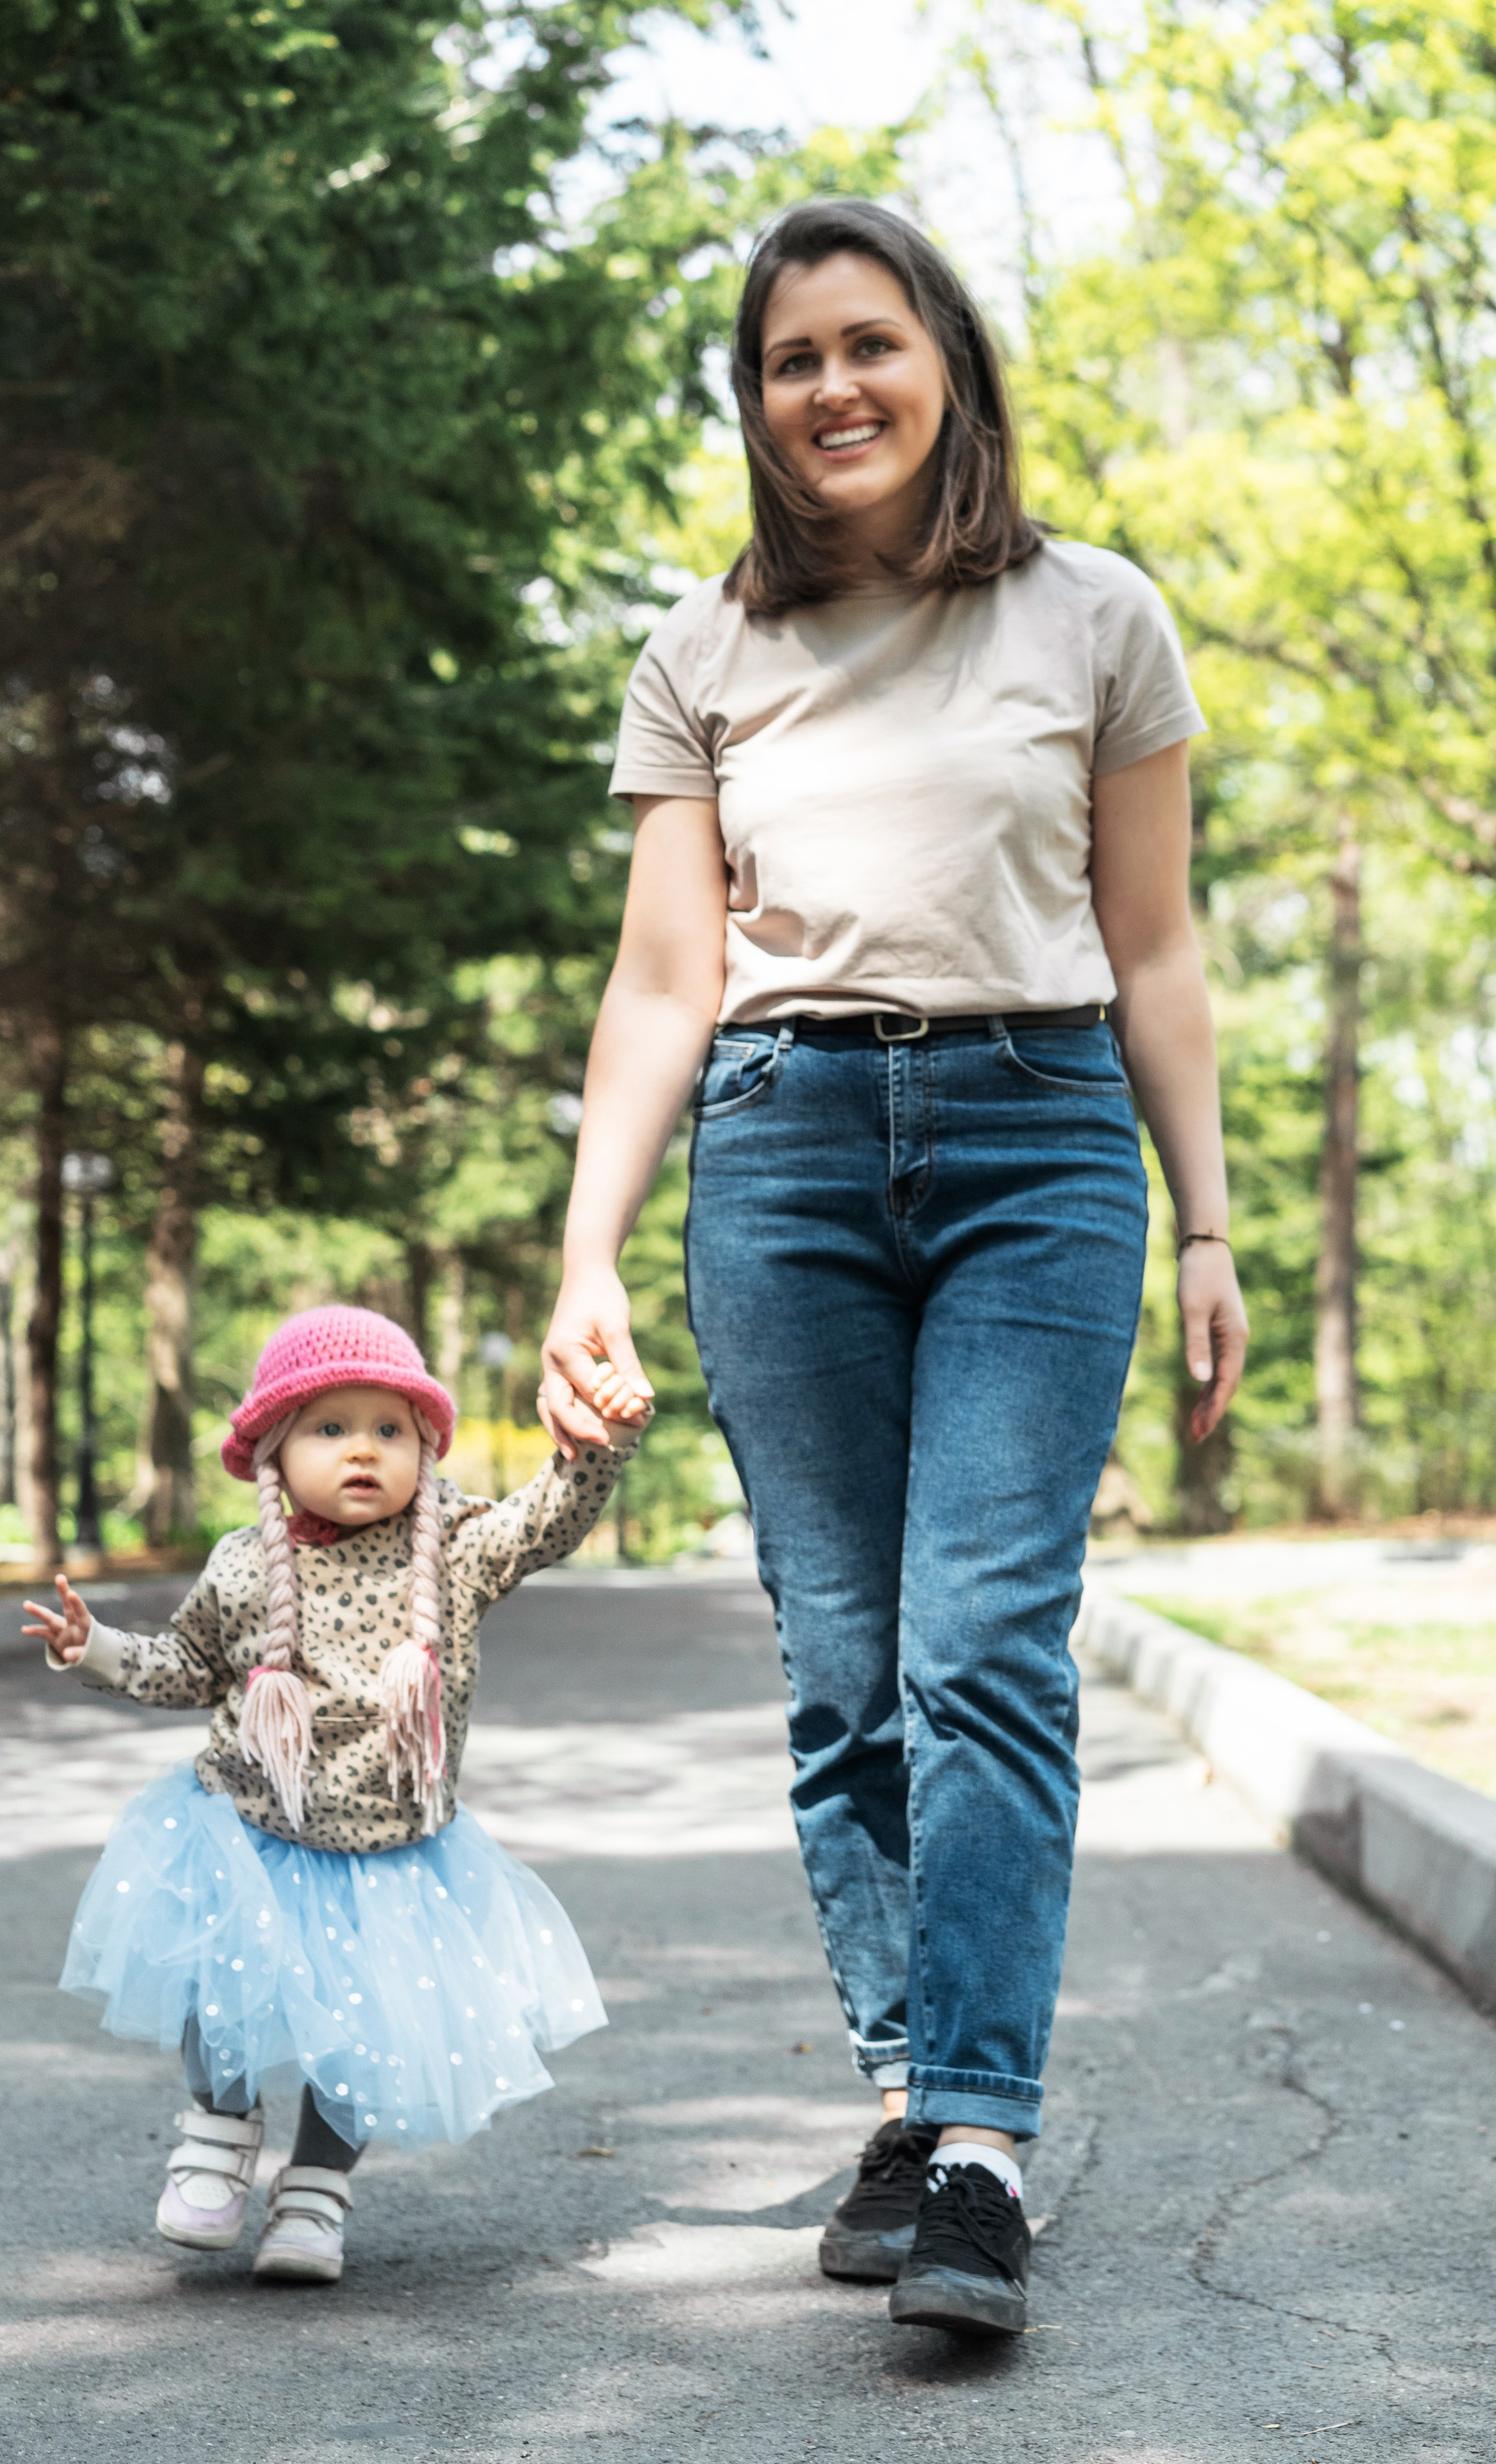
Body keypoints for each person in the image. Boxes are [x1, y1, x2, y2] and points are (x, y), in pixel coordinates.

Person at [540, 198, 1248, 2338]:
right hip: (782, 1156)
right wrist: (587, 1253)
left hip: (1043, 1143)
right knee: (844, 1670)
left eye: (871, 342)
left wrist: (1212, 1219)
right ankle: (908, 2085)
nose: (833, 386)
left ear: (947, 360)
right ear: (756, 407)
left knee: (985, 1652)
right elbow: (668, 977)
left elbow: (1155, 948)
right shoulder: (705, 649)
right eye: (789, 361)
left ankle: (980, 2154)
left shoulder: (1097, 617)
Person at [25, 1303, 645, 2284]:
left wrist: (597, 1449)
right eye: (331, 1428)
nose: (364, 1450)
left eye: (389, 1429)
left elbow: (545, 1522)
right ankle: (220, 2137)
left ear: (423, 1448)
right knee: (213, 1993)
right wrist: (93, 1648)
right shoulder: (242, 1566)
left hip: (389, 1857)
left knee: (362, 2030)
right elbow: (188, 1664)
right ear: (273, 1449)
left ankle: (315, 2193)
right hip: (251, 1831)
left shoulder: (455, 1550)